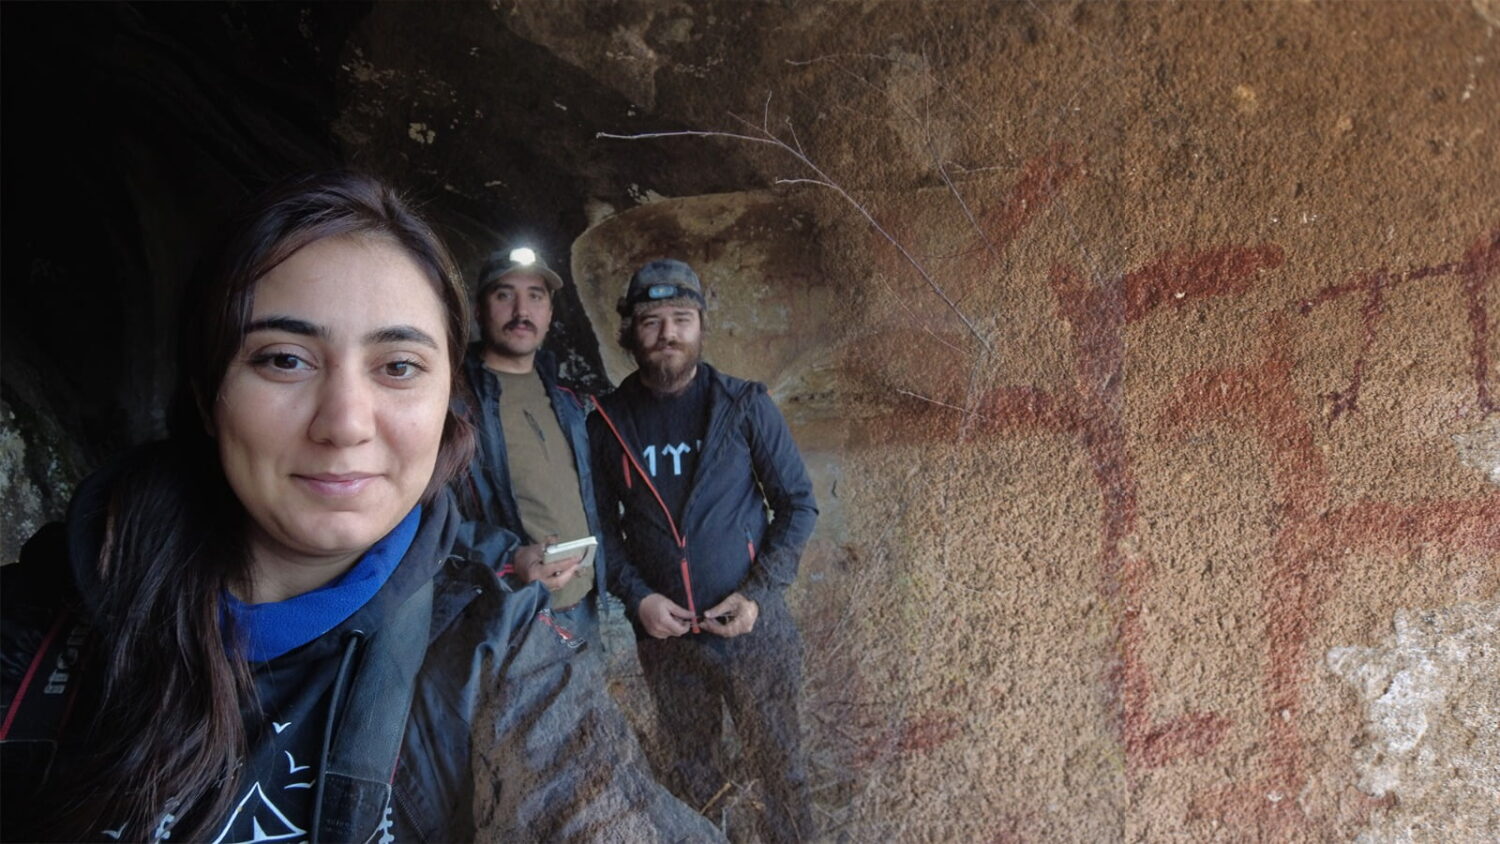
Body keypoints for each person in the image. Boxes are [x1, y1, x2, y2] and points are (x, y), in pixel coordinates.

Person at [0, 173, 718, 843]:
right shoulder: (39, 630)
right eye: (284, 358)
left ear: (446, 405)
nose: (345, 422)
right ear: (204, 393)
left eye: (398, 367)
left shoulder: (496, 659)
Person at [588, 259, 820, 843]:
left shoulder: (743, 405)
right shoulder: (608, 424)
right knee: (694, 781)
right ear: (630, 333)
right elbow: (600, 530)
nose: (667, 333)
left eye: (681, 319)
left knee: (783, 774)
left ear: (701, 326)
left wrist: (758, 594)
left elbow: (797, 506)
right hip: (668, 644)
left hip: (752, 633)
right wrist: (637, 600)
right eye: (651, 321)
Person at [455, 246, 605, 644]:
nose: (522, 310)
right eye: (504, 294)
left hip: (584, 603)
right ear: (479, 310)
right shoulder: (454, 407)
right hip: (511, 611)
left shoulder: (568, 399)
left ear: (550, 313)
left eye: (536, 296)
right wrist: (508, 559)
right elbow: (427, 520)